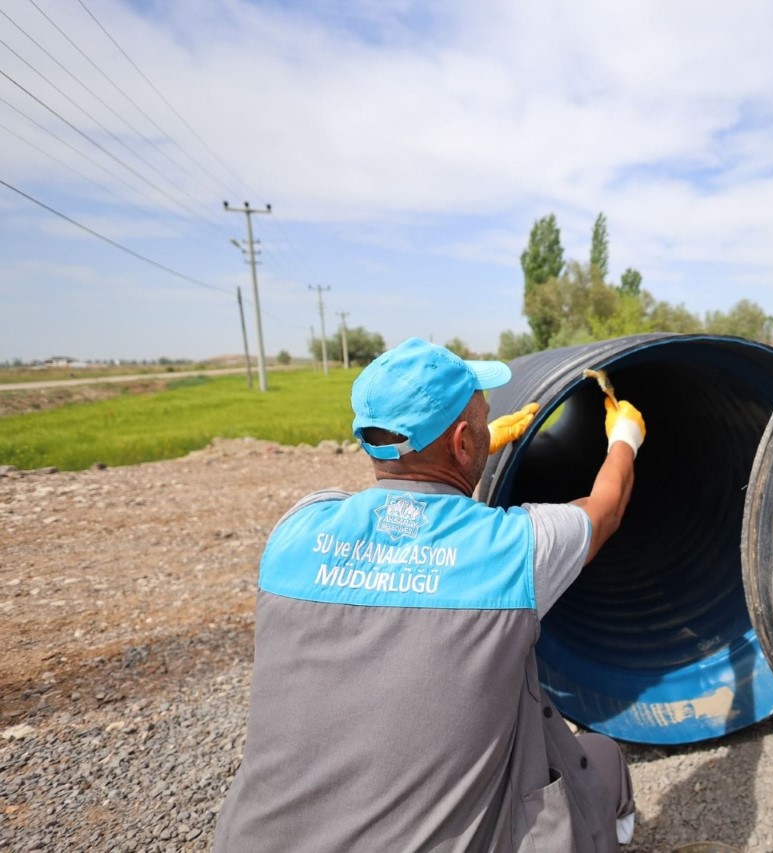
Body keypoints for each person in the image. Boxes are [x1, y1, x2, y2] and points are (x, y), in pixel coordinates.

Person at [213, 337, 646, 851]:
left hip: (252, 841)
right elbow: (605, 508)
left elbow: (389, 491)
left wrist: (466, 453)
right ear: (463, 441)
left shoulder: (295, 529)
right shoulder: (512, 550)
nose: (489, 429)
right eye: (483, 422)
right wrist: (625, 438)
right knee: (599, 758)